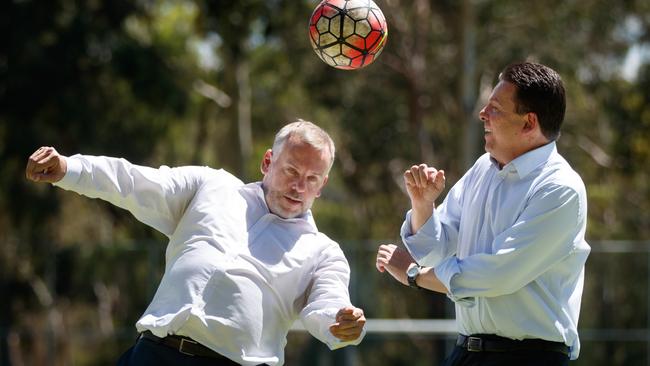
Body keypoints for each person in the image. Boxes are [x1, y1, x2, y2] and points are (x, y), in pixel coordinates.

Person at [25, 120, 366, 366]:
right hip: (153, 354)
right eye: (291, 171)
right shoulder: (211, 185)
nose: (299, 187)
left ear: (322, 186)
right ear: (267, 162)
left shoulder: (324, 252)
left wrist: (341, 323)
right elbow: (132, 181)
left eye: (311, 179)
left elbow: (328, 306)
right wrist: (68, 168)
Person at [376, 62, 590, 366]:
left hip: (529, 359)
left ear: (529, 123)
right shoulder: (483, 169)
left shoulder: (560, 188)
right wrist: (423, 206)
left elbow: (497, 275)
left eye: (495, 109)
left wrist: (414, 276)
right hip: (465, 353)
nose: (483, 115)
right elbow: (437, 251)